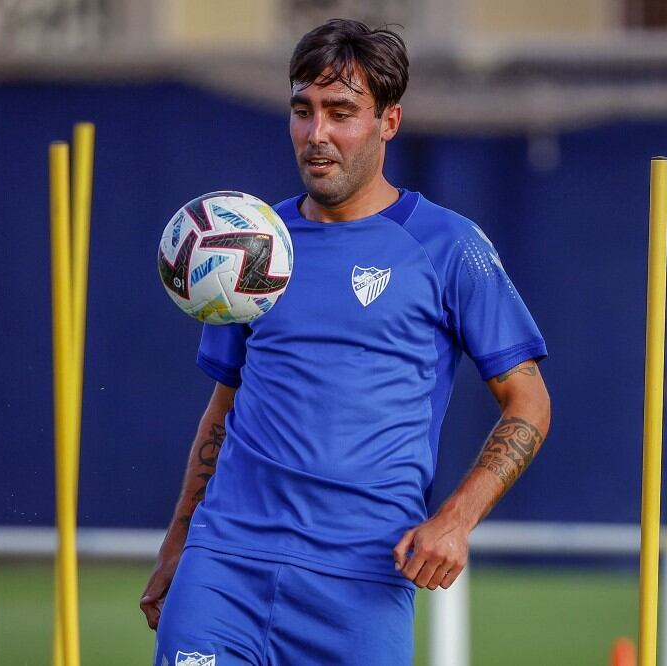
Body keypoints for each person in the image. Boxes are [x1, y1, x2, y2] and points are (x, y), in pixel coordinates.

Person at [140, 19, 551, 666]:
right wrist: (177, 545)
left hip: (360, 586)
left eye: (341, 112)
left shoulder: (451, 248)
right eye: (303, 111)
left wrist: (457, 518)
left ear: (390, 121)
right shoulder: (251, 246)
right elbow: (223, 410)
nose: (317, 134)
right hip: (224, 567)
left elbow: (528, 401)